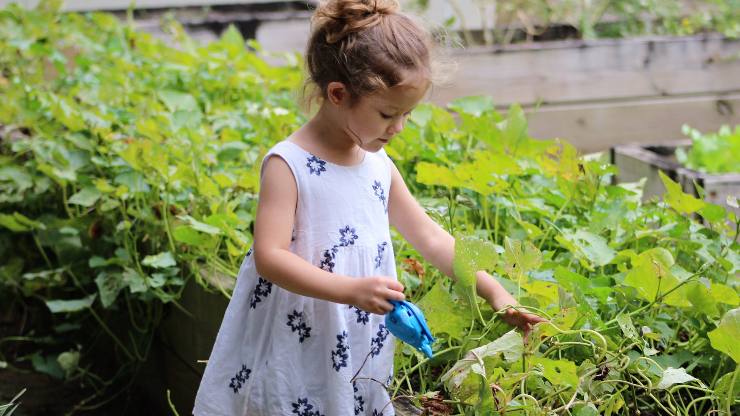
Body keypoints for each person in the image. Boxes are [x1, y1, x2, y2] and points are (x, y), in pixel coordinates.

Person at [193, 0, 545, 414]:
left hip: (354, 338)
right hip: (299, 335)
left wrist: (495, 292)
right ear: (338, 94)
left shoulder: (377, 165)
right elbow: (270, 258)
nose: (398, 128)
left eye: (407, 115)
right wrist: (350, 290)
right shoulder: (289, 165)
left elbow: (430, 237)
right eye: (387, 114)